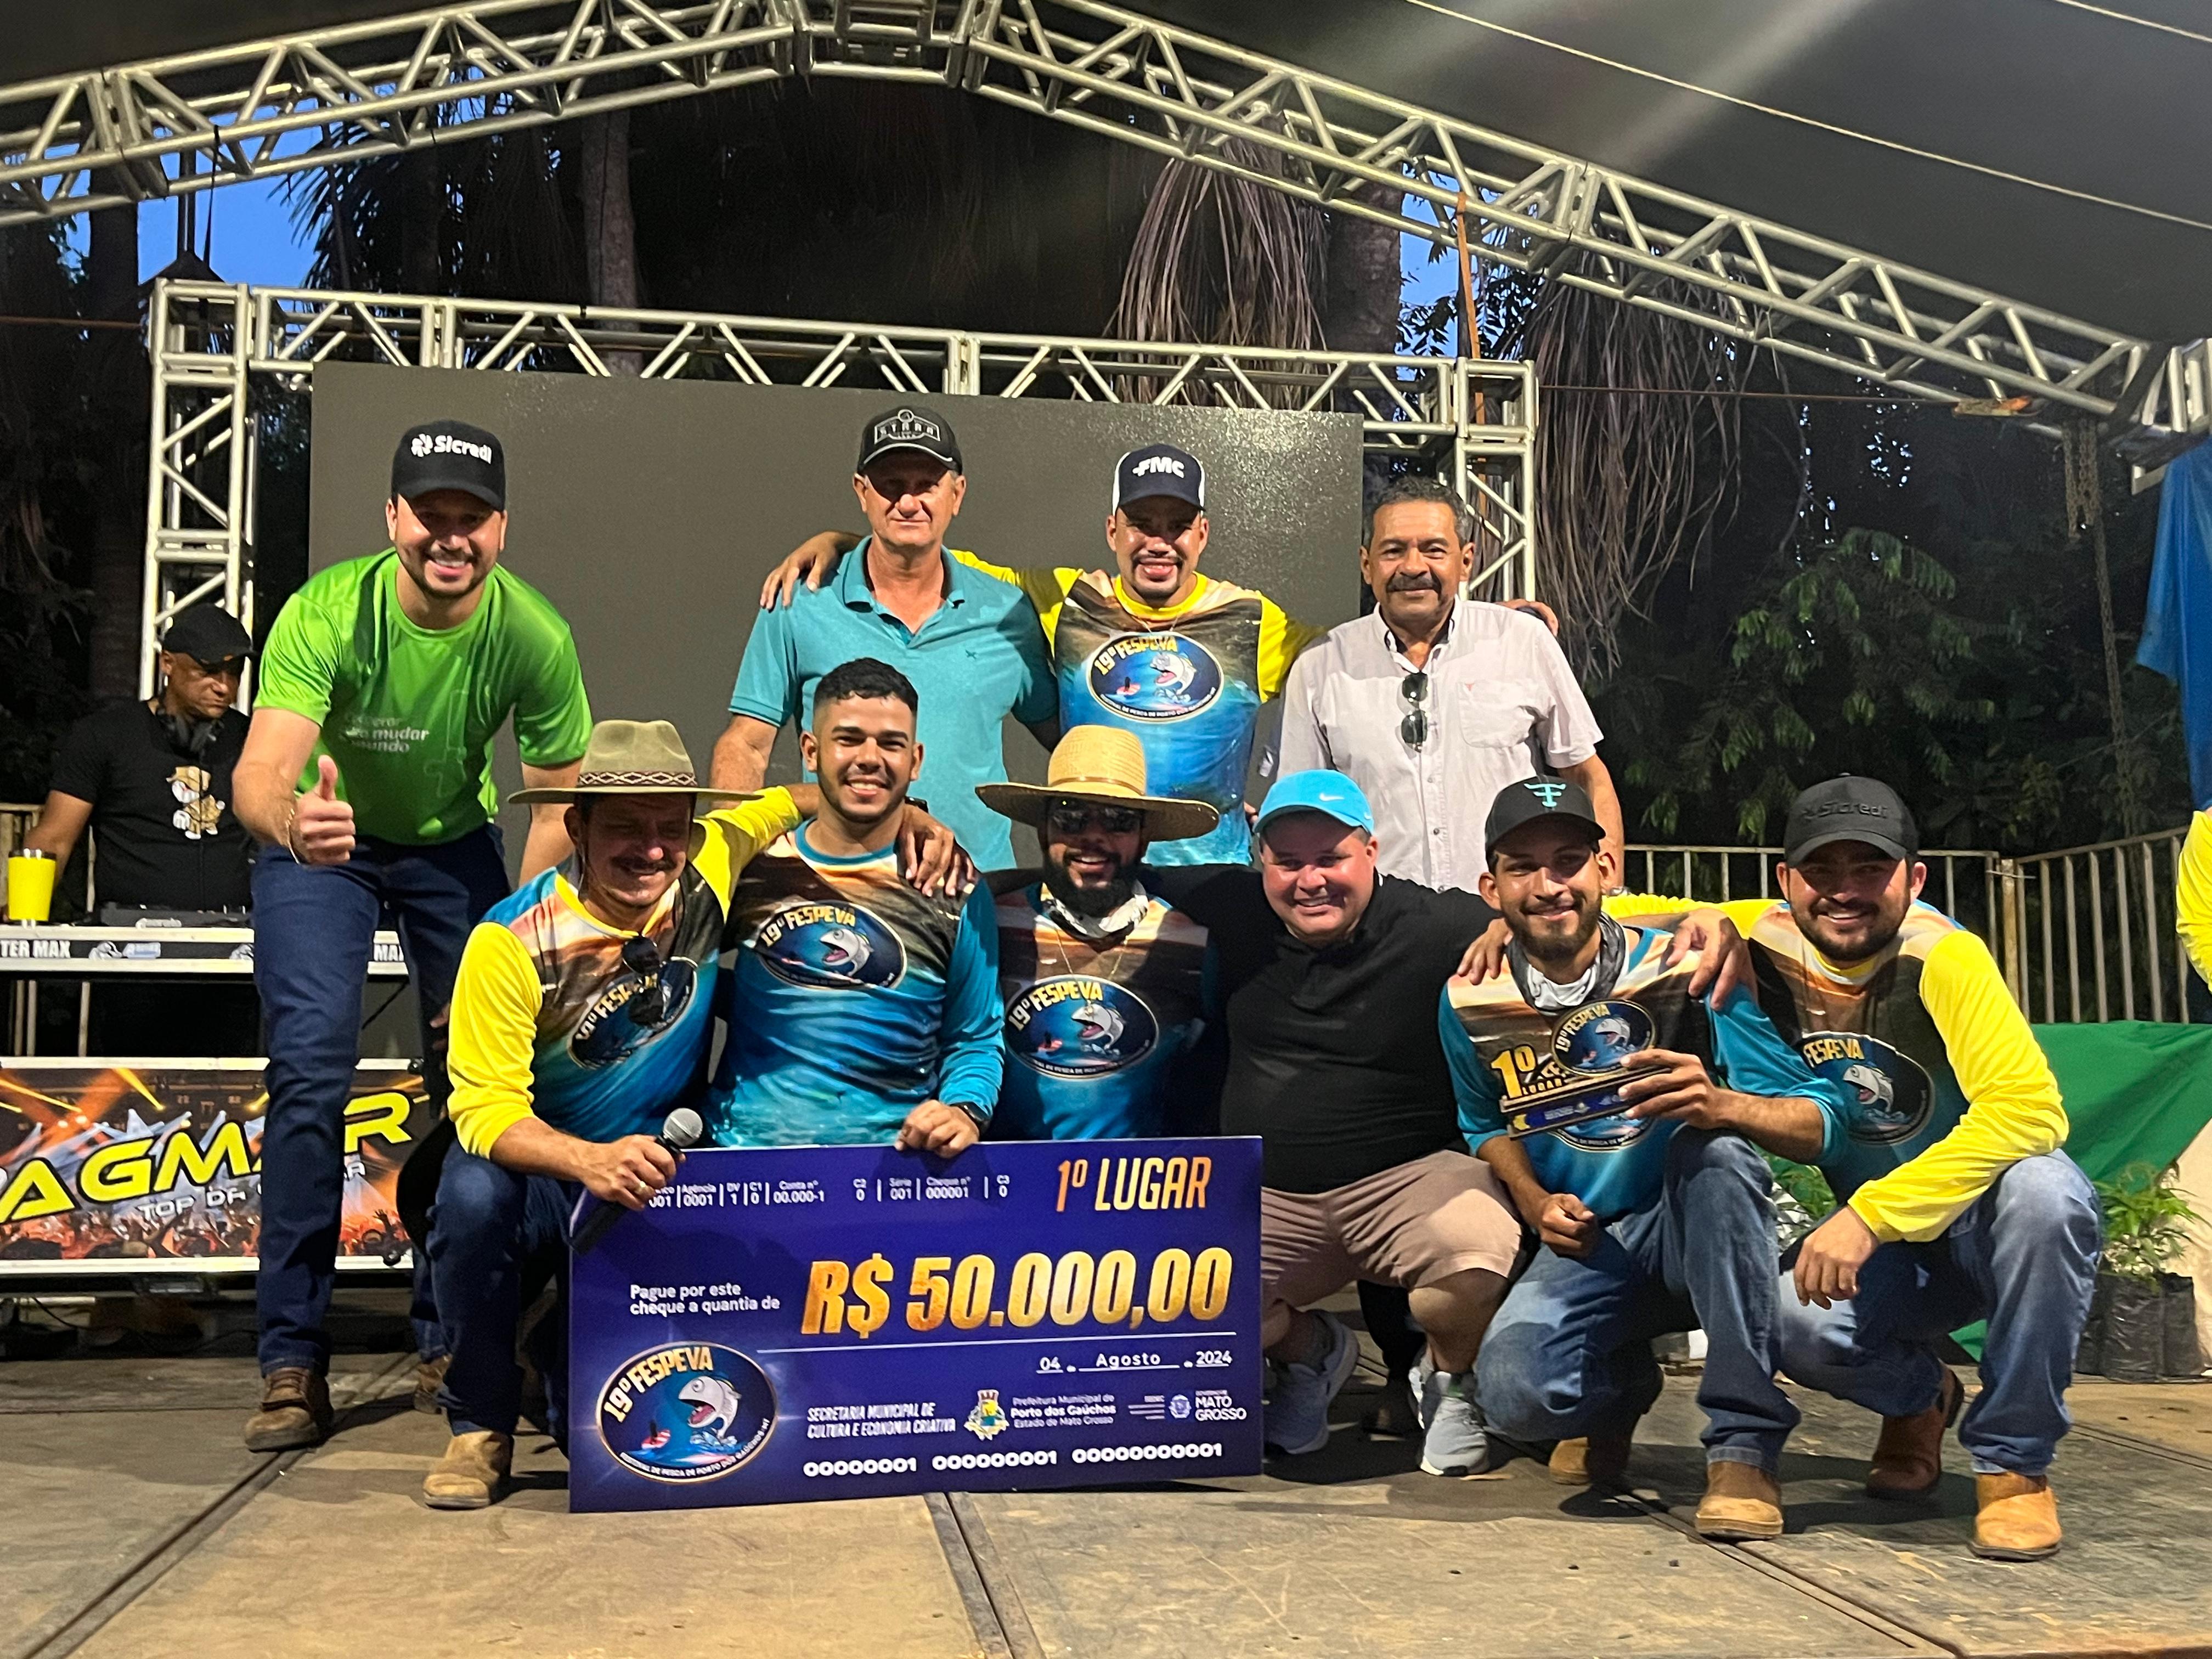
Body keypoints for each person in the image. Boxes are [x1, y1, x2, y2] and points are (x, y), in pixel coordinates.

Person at [230, 419, 591, 1453]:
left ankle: (452, 1335)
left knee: (477, 1074)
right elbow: (259, 774)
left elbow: (557, 805)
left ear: (501, 528)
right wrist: (293, 821)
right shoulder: (327, 612)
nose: (449, 536)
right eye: (429, 515)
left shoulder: (534, 634)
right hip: (322, 840)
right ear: (392, 517)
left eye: (468, 519)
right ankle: (292, 1356)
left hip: (449, 844)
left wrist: (519, 939)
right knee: (309, 1070)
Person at [1627, 777, 2095, 1561]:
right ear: (1786, 883)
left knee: (2046, 1194)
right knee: (1791, 1322)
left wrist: (1870, 1214)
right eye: (1823, 870)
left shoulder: (1946, 958)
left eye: (1869, 870)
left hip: (1982, 1225)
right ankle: (1922, 1401)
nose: (1845, 891)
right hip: (1898, 1258)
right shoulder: (1762, 933)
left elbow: (2031, 1113)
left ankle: (2014, 1466)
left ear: (1913, 879)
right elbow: (1604, 905)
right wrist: (1689, 915)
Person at [1444, 777, 1848, 1541]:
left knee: (1721, 1153)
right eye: (1523, 867)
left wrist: (1724, 1101)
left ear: (1605, 869)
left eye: (1568, 860)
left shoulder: (1685, 962)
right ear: (1490, 888)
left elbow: (1810, 1111)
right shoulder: (1470, 994)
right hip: (1593, 1245)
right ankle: (1622, 1388)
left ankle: (1743, 1445)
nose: (1549, 885)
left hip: (1696, 1223)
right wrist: (1531, 1200)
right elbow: (1480, 1120)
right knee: (1515, 1397)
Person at [425, 721, 796, 1508]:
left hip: (658, 1170)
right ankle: (478, 1425)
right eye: (626, 827)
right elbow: (485, 1113)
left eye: (671, 829)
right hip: (546, 1174)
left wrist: (915, 823)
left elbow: (791, 800)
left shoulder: (712, 863)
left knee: (599, 1443)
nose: (654, 850)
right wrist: (588, 1161)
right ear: (577, 827)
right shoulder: (509, 941)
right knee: (469, 1197)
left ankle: (547, 1354)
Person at [1129, 769, 1523, 1478]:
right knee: (1168, 1291)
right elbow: (1102, 869)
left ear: (1372, 851)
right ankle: (1314, 1356)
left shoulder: (1442, 925)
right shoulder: (1232, 905)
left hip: (1407, 1185)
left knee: (1470, 1252)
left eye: (1331, 858)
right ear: (1262, 865)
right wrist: (924, 842)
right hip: (1274, 1198)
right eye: (1289, 862)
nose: (1311, 880)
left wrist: (1709, 927)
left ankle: (1449, 1382)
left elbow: (1571, 920)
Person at [761, 443, 1324, 864]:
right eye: (1141, 524)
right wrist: (839, 542)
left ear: (1202, 533)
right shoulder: (1062, 600)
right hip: (1094, 870)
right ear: (1112, 530)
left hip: (1214, 878)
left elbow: (1344, 666)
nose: (1159, 541)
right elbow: (915, 549)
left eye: (1177, 525)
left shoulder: (1256, 620)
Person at [714, 405, 1057, 869]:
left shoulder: (1008, 612)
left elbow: (1062, 736)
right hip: (837, 887)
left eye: (926, 485)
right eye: (891, 485)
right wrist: (725, 858)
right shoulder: (801, 601)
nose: (909, 502)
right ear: (863, 493)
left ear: (957, 494)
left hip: (978, 890)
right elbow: (747, 744)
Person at [713, 657, 1003, 1154]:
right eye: (848, 739)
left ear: (915, 760)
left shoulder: (953, 885)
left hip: (894, 1172)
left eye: (890, 744)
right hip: (743, 1167)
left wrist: (963, 1111)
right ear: (811, 750)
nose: (870, 758)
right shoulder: (751, 868)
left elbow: (975, 1038)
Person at [1279, 475, 1623, 890]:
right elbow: (1299, 814)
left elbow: (1586, 775)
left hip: (1510, 918)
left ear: (1466, 561)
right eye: (1393, 551)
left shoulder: (1522, 641)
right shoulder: (1320, 667)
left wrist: (1606, 888)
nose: (1412, 566)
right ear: (1367, 565)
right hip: (1381, 924)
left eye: (1433, 550)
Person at [14, 603, 260, 1053]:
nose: (222, 687)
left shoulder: (253, 742)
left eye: (233, 673)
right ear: (167, 664)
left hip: (235, 955)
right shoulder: (105, 735)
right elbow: (54, 838)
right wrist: (23, 927)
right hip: (131, 954)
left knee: (229, 1097)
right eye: (206, 671)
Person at [975, 725, 1218, 1141]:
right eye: (1070, 817)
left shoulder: (1189, 942)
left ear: (1144, 838)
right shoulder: (989, 926)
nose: (1093, 836)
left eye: (1117, 820)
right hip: (1010, 1188)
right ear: (1042, 830)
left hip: (1134, 1191)